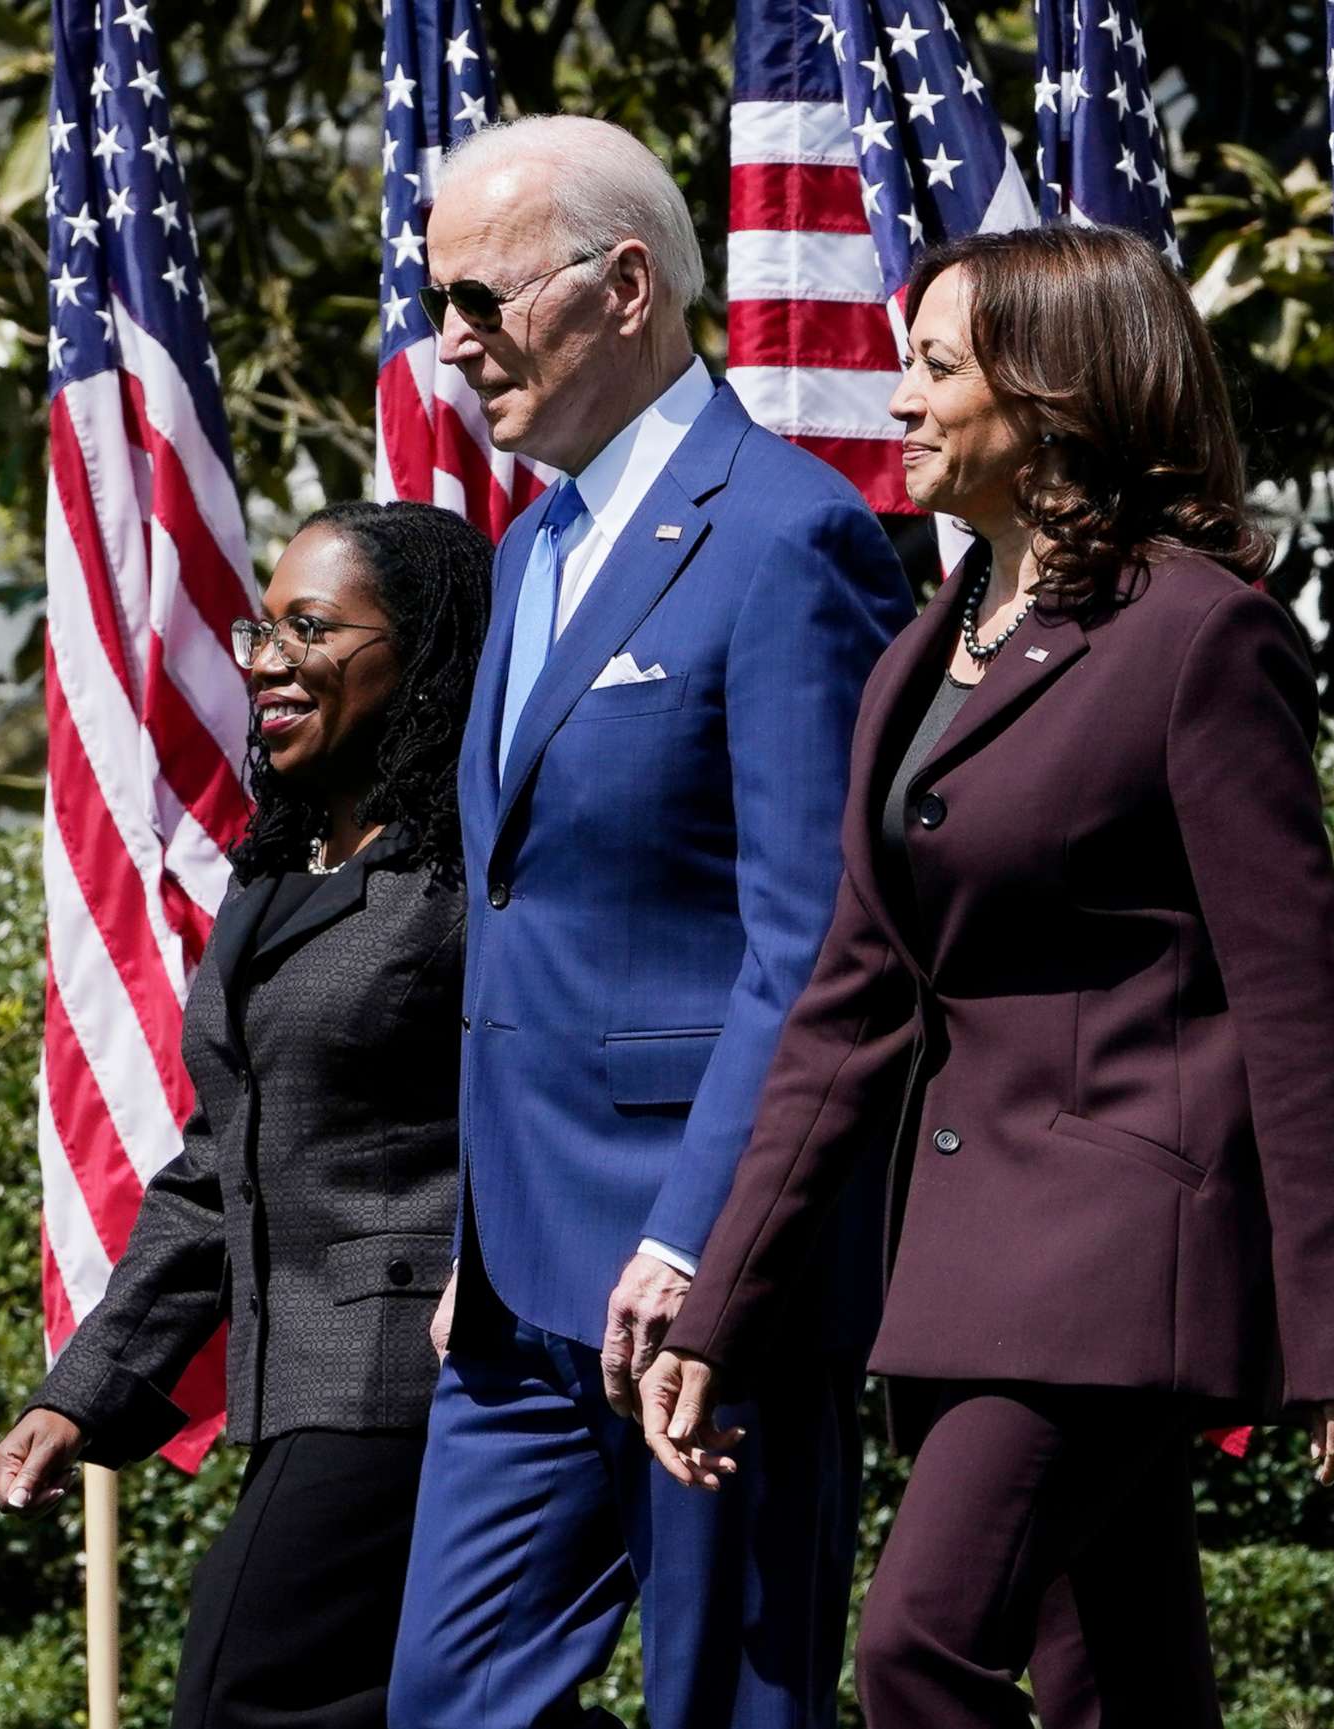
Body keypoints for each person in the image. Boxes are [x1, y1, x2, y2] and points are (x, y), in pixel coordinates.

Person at [637, 223, 1334, 1728]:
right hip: (964, 1272)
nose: (899, 402)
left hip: (1118, 1261)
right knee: (1121, 1692)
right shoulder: (918, 660)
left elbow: (1295, 1002)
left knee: (917, 1653)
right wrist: (719, 1305)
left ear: (1052, 393)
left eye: (934, 366)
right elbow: (847, 1014)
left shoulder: (1201, 636)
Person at [384, 115, 916, 1729]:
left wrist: (696, 1240)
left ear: (625, 287)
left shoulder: (789, 535)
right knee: (443, 1698)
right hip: (513, 1291)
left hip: (712, 1279)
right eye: (438, 306)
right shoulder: (525, 544)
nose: (451, 347)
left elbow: (816, 939)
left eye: (482, 301)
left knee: (732, 1708)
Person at [0, 500, 493, 1729]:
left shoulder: (478, 869)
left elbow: (532, 1103)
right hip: (293, 1383)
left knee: (238, 1694)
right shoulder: (279, 866)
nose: (263, 660)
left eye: (307, 628)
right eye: (259, 628)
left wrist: (497, 1272)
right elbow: (221, 1164)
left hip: (415, 1378)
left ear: (418, 652)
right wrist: (84, 1390)